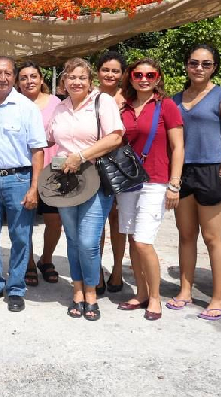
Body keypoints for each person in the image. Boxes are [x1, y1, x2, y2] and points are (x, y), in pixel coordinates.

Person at [47, 57, 124, 322]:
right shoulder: (60, 108)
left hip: (95, 179)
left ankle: (91, 293)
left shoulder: (102, 102)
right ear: (64, 82)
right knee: (72, 239)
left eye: (81, 77)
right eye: (71, 77)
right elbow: (48, 139)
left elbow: (115, 137)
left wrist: (80, 155)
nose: (76, 81)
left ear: (90, 80)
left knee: (89, 242)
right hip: (65, 182)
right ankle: (77, 291)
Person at [168, 44, 221, 320]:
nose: (199, 68)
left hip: (213, 171)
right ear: (186, 65)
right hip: (183, 172)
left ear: (214, 67)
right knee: (186, 236)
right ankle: (185, 291)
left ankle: (218, 299)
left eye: (206, 64)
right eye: (194, 62)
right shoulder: (175, 99)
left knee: (213, 238)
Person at [0, 57, 46, 312]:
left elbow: (38, 151)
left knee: (21, 236)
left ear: (14, 77)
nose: (2, 78)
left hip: (18, 179)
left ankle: (15, 287)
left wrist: (34, 187)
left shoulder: (27, 108)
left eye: (7, 73)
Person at [116, 58, 184, 321]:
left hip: (155, 181)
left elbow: (178, 147)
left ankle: (155, 297)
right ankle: (141, 292)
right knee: (133, 239)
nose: (144, 78)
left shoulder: (166, 106)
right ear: (130, 77)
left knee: (144, 242)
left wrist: (174, 184)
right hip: (128, 182)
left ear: (158, 77)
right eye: (138, 74)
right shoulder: (124, 108)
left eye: (150, 74)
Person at [16, 61, 62, 285]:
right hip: (24, 170)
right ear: (18, 82)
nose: (29, 81)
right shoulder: (13, 103)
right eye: (23, 77)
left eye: (33, 76)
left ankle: (46, 259)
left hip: (52, 171)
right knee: (26, 221)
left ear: (42, 79)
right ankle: (29, 263)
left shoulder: (57, 103)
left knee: (54, 220)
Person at [95, 50, 127, 294]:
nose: (110, 74)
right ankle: (96, 271)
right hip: (95, 167)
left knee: (118, 222)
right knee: (96, 222)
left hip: (121, 167)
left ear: (122, 74)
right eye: (106, 69)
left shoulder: (130, 97)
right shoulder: (90, 96)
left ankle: (117, 271)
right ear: (98, 72)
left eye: (115, 70)